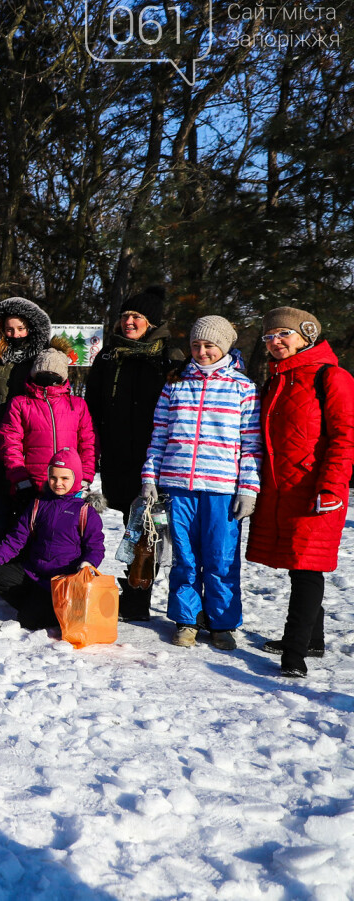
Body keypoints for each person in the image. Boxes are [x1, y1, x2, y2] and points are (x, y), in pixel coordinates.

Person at [141, 316, 261, 651]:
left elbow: (251, 445)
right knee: (186, 558)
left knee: (221, 558)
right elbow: (159, 436)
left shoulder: (243, 388)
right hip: (179, 486)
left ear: (224, 346)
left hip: (222, 489)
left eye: (209, 345)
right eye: (196, 345)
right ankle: (187, 620)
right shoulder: (175, 385)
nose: (202, 351)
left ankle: (221, 623)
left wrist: (248, 489)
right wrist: (150, 477)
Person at [246, 306, 354, 677]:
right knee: (298, 563)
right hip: (281, 488)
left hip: (317, 489)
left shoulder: (332, 376)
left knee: (309, 567)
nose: (275, 342)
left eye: (283, 334)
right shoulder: (276, 380)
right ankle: (313, 638)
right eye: (269, 337)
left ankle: (294, 652)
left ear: (306, 335)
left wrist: (332, 486)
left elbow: (344, 437)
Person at [84, 285, 186, 620]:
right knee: (130, 521)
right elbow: (93, 404)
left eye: (137, 317)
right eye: (125, 315)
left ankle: (137, 595)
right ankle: (131, 588)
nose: (128, 321)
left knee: (146, 525)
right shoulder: (108, 356)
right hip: (115, 454)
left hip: (154, 456)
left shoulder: (169, 358)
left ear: (152, 323)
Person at [0, 448, 105, 630]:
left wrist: (88, 563)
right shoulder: (39, 504)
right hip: (34, 572)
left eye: (64, 478)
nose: (58, 483)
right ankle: (44, 606)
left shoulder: (85, 512)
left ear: (76, 478)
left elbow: (96, 548)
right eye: (53, 477)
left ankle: (51, 609)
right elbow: (16, 538)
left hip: (62, 580)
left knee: (29, 620)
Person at [0, 296, 52, 543]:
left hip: (30, 445)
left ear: (30, 328)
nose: (15, 334)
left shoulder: (42, 357)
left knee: (29, 514)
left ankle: (25, 571)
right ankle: (0, 569)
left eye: (20, 328)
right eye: (9, 329)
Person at [0, 343, 96, 494]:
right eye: (43, 373)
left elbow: (88, 443)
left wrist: (85, 477)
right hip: (32, 484)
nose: (48, 379)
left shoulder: (77, 405)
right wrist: (20, 478)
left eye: (54, 375)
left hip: (69, 483)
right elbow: (10, 443)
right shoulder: (20, 404)